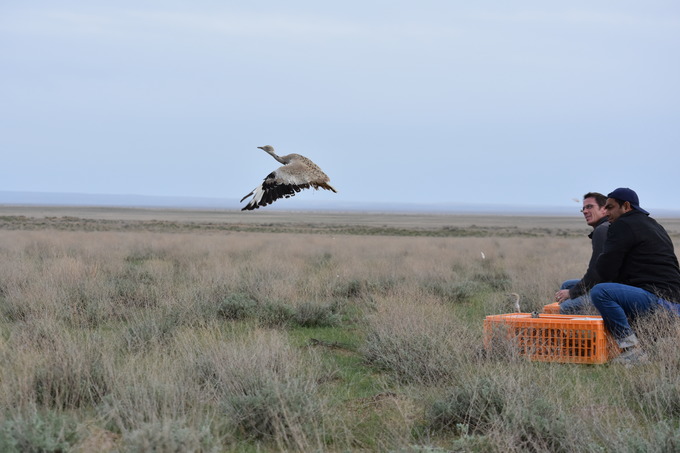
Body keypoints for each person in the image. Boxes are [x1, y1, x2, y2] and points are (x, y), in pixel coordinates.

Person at [590, 188, 680, 365]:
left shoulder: (622, 225)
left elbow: (605, 270)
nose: (605, 212)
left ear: (626, 206)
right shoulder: (653, 224)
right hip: (673, 300)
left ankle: (632, 349)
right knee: (573, 284)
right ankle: (641, 342)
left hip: (659, 301)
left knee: (601, 292)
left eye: (610, 207)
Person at [554, 192, 609, 314]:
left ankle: (585, 331)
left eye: (590, 207)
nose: (584, 211)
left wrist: (572, 293)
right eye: (583, 208)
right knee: (567, 285)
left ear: (604, 209)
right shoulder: (606, 227)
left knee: (565, 307)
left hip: (612, 289)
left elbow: (595, 272)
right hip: (607, 284)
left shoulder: (603, 230)